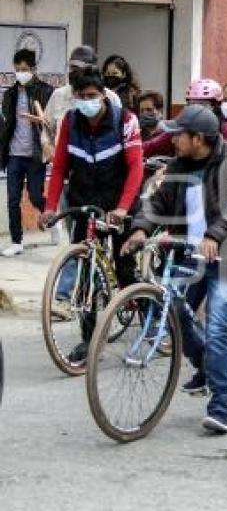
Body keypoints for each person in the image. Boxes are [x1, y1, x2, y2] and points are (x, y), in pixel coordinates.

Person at [122, 104, 227, 434]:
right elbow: (156, 202)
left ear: (198, 139)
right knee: (172, 312)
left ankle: (221, 408)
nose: (172, 140)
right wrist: (141, 229)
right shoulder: (179, 165)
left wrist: (214, 236)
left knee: (216, 329)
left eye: (178, 135)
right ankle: (205, 363)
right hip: (190, 253)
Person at [39, 68, 144, 363]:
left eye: (92, 96)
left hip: (118, 203)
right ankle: (89, 341)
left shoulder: (125, 120)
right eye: (81, 96)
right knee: (85, 272)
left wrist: (123, 209)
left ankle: (153, 320)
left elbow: (136, 168)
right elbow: (60, 167)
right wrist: (50, 207)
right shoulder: (71, 122)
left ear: (103, 95)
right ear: (74, 97)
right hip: (84, 201)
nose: (87, 101)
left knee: (125, 269)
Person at [0, 48, 54, 256]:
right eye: (17, 70)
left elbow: (50, 123)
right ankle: (16, 241)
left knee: (35, 196)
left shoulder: (46, 91)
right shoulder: (10, 94)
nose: (20, 73)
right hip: (14, 154)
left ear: (33, 69)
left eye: (24, 69)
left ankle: (52, 219)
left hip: (34, 154)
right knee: (13, 199)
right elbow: (6, 123)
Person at [43, 45, 122, 133]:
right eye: (72, 68)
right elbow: (46, 130)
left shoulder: (112, 98)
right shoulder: (58, 95)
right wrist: (47, 145)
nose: (73, 72)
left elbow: (118, 131)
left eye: (79, 69)